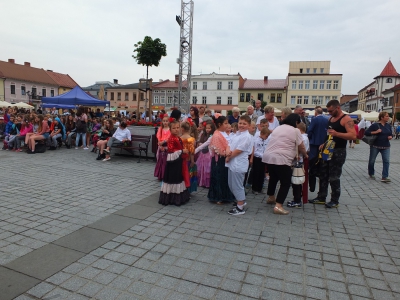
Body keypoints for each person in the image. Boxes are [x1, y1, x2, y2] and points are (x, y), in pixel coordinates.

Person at [309, 100, 356, 208]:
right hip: (327, 150)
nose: (329, 113)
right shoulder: (330, 118)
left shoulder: (346, 119)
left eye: (331, 111)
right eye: (328, 111)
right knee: (323, 174)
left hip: (339, 151)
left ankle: (335, 200)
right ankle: (321, 197)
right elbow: (329, 134)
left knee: (334, 176)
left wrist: (337, 134)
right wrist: (324, 143)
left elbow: (353, 136)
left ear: (337, 108)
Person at [262, 114, 308, 215]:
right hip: (282, 159)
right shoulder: (295, 131)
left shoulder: (278, 128)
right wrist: (305, 154)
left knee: (273, 178)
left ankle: (271, 197)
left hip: (269, 156)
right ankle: (278, 206)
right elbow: (301, 146)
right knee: (285, 183)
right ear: (296, 122)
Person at [159, 120, 191, 206]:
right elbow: (171, 150)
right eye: (174, 128)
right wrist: (182, 151)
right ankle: (172, 198)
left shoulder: (178, 137)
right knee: (174, 179)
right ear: (170, 129)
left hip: (178, 161)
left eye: (178, 127)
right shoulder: (172, 138)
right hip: (173, 163)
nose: (176, 129)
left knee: (179, 178)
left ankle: (178, 196)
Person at [226, 115, 254, 215]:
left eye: (244, 124)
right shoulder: (237, 134)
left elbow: (239, 150)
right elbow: (229, 144)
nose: (241, 125)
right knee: (231, 184)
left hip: (238, 164)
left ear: (249, 125)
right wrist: (227, 151)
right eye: (240, 123)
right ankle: (240, 200)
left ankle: (240, 207)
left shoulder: (246, 136)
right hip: (232, 163)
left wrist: (229, 157)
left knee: (237, 186)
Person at [208, 116, 235, 204]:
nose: (227, 125)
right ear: (220, 124)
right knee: (218, 178)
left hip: (224, 159)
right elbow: (217, 149)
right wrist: (226, 153)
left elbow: (228, 144)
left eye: (227, 123)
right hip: (219, 160)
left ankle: (224, 196)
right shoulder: (217, 135)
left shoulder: (224, 133)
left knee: (224, 178)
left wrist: (228, 150)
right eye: (225, 123)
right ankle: (218, 197)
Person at [364, 112, 392, 183]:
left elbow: (391, 134)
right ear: (382, 117)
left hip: (386, 146)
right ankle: (371, 173)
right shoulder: (375, 125)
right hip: (375, 146)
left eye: (388, 116)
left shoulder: (388, 125)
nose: (388, 117)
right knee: (372, 161)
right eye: (386, 116)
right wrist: (375, 132)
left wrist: (390, 137)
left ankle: (385, 176)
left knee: (386, 161)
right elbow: (366, 132)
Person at [288, 122, 309, 208]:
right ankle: (297, 198)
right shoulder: (306, 137)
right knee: (298, 181)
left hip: (297, 161)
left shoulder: (302, 138)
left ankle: (297, 200)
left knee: (295, 181)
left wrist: (293, 157)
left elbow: (301, 148)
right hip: (300, 160)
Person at [307, 107, 328, 192]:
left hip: (314, 142)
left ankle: (313, 171)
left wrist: (308, 138)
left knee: (312, 160)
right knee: (321, 159)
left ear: (316, 112)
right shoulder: (327, 119)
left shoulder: (315, 119)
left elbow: (310, 130)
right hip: (323, 142)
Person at [250, 127, 270, 194]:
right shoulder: (256, 141)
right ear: (262, 134)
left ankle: (259, 188)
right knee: (256, 173)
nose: (267, 137)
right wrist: (262, 155)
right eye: (266, 136)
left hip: (263, 159)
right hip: (257, 158)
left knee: (262, 174)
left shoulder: (265, 141)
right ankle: (254, 188)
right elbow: (255, 151)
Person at [195, 121, 215, 188]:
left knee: (207, 169)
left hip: (208, 154)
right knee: (202, 168)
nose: (207, 129)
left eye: (209, 128)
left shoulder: (212, 136)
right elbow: (201, 143)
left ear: (212, 129)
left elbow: (206, 144)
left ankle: (207, 183)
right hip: (202, 154)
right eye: (206, 128)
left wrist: (195, 151)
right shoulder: (203, 134)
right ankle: (201, 181)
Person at [181, 120, 198, 193]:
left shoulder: (180, 138)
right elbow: (191, 152)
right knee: (188, 175)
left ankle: (181, 189)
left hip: (181, 159)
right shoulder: (191, 139)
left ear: (183, 129)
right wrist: (192, 161)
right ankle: (188, 189)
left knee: (182, 174)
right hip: (188, 160)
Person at [154, 115, 171, 181]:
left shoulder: (170, 129)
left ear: (169, 122)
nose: (165, 122)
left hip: (167, 146)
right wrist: (160, 144)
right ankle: (160, 175)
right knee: (160, 161)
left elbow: (169, 138)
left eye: (166, 121)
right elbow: (158, 136)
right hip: (161, 146)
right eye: (164, 121)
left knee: (166, 161)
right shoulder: (160, 129)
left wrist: (164, 142)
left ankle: (165, 175)